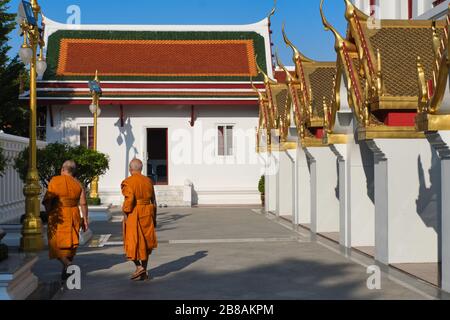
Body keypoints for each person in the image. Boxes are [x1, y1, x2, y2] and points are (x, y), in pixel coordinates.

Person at [42, 160, 89, 280]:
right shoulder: (78, 184)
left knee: (55, 244)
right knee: (70, 244)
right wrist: (85, 219)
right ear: (73, 171)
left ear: (63, 169)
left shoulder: (55, 180)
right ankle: (66, 270)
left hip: (59, 214)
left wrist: (48, 213)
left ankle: (69, 265)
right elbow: (83, 203)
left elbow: (49, 200)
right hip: (74, 214)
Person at [121, 158, 158, 281]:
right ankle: (144, 270)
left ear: (130, 169)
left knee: (132, 242)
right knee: (146, 243)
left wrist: (125, 211)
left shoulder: (128, 182)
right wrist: (155, 218)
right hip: (148, 212)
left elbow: (130, 198)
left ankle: (138, 266)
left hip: (134, 212)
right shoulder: (148, 181)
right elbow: (154, 201)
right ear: (141, 169)